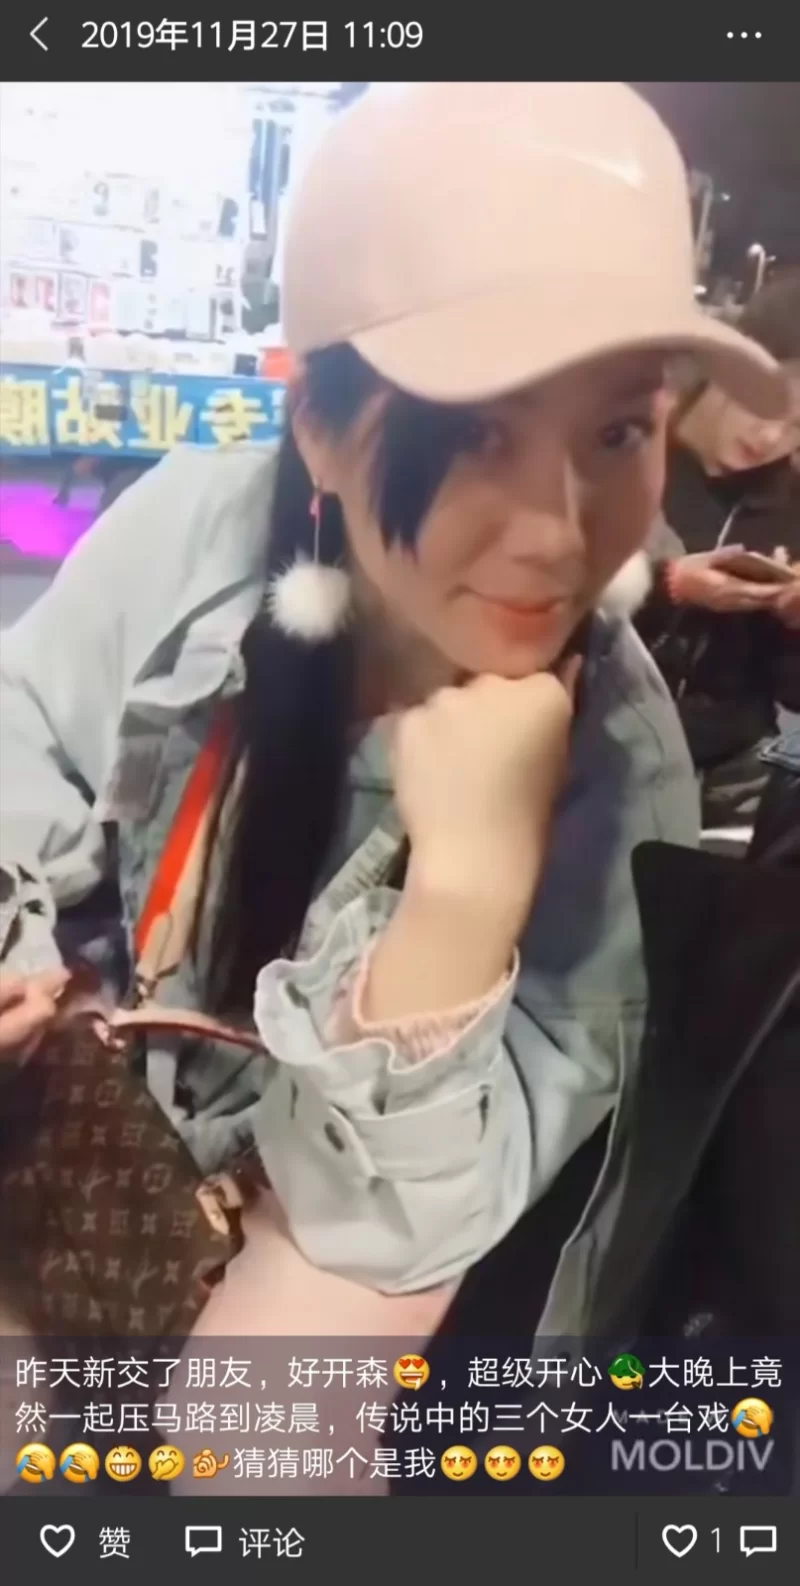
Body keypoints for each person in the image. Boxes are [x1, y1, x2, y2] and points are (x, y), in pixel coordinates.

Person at [0, 83, 788, 1345]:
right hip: (102, 1118)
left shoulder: (621, 778)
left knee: (257, 1424)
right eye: (475, 433)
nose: (555, 533)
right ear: (317, 421)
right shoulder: (206, 526)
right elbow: (26, 716)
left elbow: (394, 1223)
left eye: (614, 429)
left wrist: (461, 902)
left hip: (318, 1208)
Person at [634, 273, 800, 828]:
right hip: (593, 747)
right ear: (733, 361)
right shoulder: (627, 442)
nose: (770, 439)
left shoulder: (788, 502)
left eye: (798, 429)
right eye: (768, 406)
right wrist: (670, 586)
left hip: (728, 776)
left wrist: (793, 623)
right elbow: (550, 605)